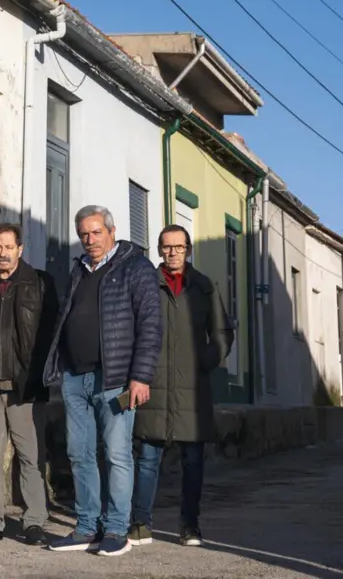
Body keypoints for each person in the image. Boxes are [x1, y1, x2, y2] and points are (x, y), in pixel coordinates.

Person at [42, 205, 163, 558]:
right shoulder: (78, 270)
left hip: (115, 380)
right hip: (75, 377)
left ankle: (116, 529)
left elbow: (151, 325)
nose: (90, 239)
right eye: (84, 234)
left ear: (111, 231)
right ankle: (86, 527)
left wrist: (140, 376)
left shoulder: (135, 267)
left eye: (96, 232)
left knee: (116, 454)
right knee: (79, 454)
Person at [131, 224, 233, 549]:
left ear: (188, 249)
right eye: (166, 247)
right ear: (159, 250)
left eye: (179, 247)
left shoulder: (205, 286)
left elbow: (222, 333)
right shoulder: (146, 284)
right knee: (147, 459)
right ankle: (140, 522)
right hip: (153, 385)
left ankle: (190, 525)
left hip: (193, 388)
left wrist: (205, 360)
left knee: (193, 463)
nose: (172, 253)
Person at [0, 223, 59, 547]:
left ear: (20, 249)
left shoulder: (39, 284)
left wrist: (42, 376)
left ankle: (33, 521)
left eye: (9, 247)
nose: (3, 253)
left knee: (31, 456)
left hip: (25, 387)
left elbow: (50, 334)